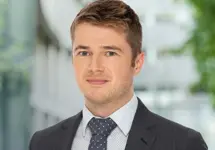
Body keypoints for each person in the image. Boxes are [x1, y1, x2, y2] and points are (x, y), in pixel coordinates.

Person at [29, 0, 208, 150]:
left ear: (137, 63)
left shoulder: (182, 144)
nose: (94, 67)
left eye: (110, 53)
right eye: (84, 53)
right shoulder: (43, 143)